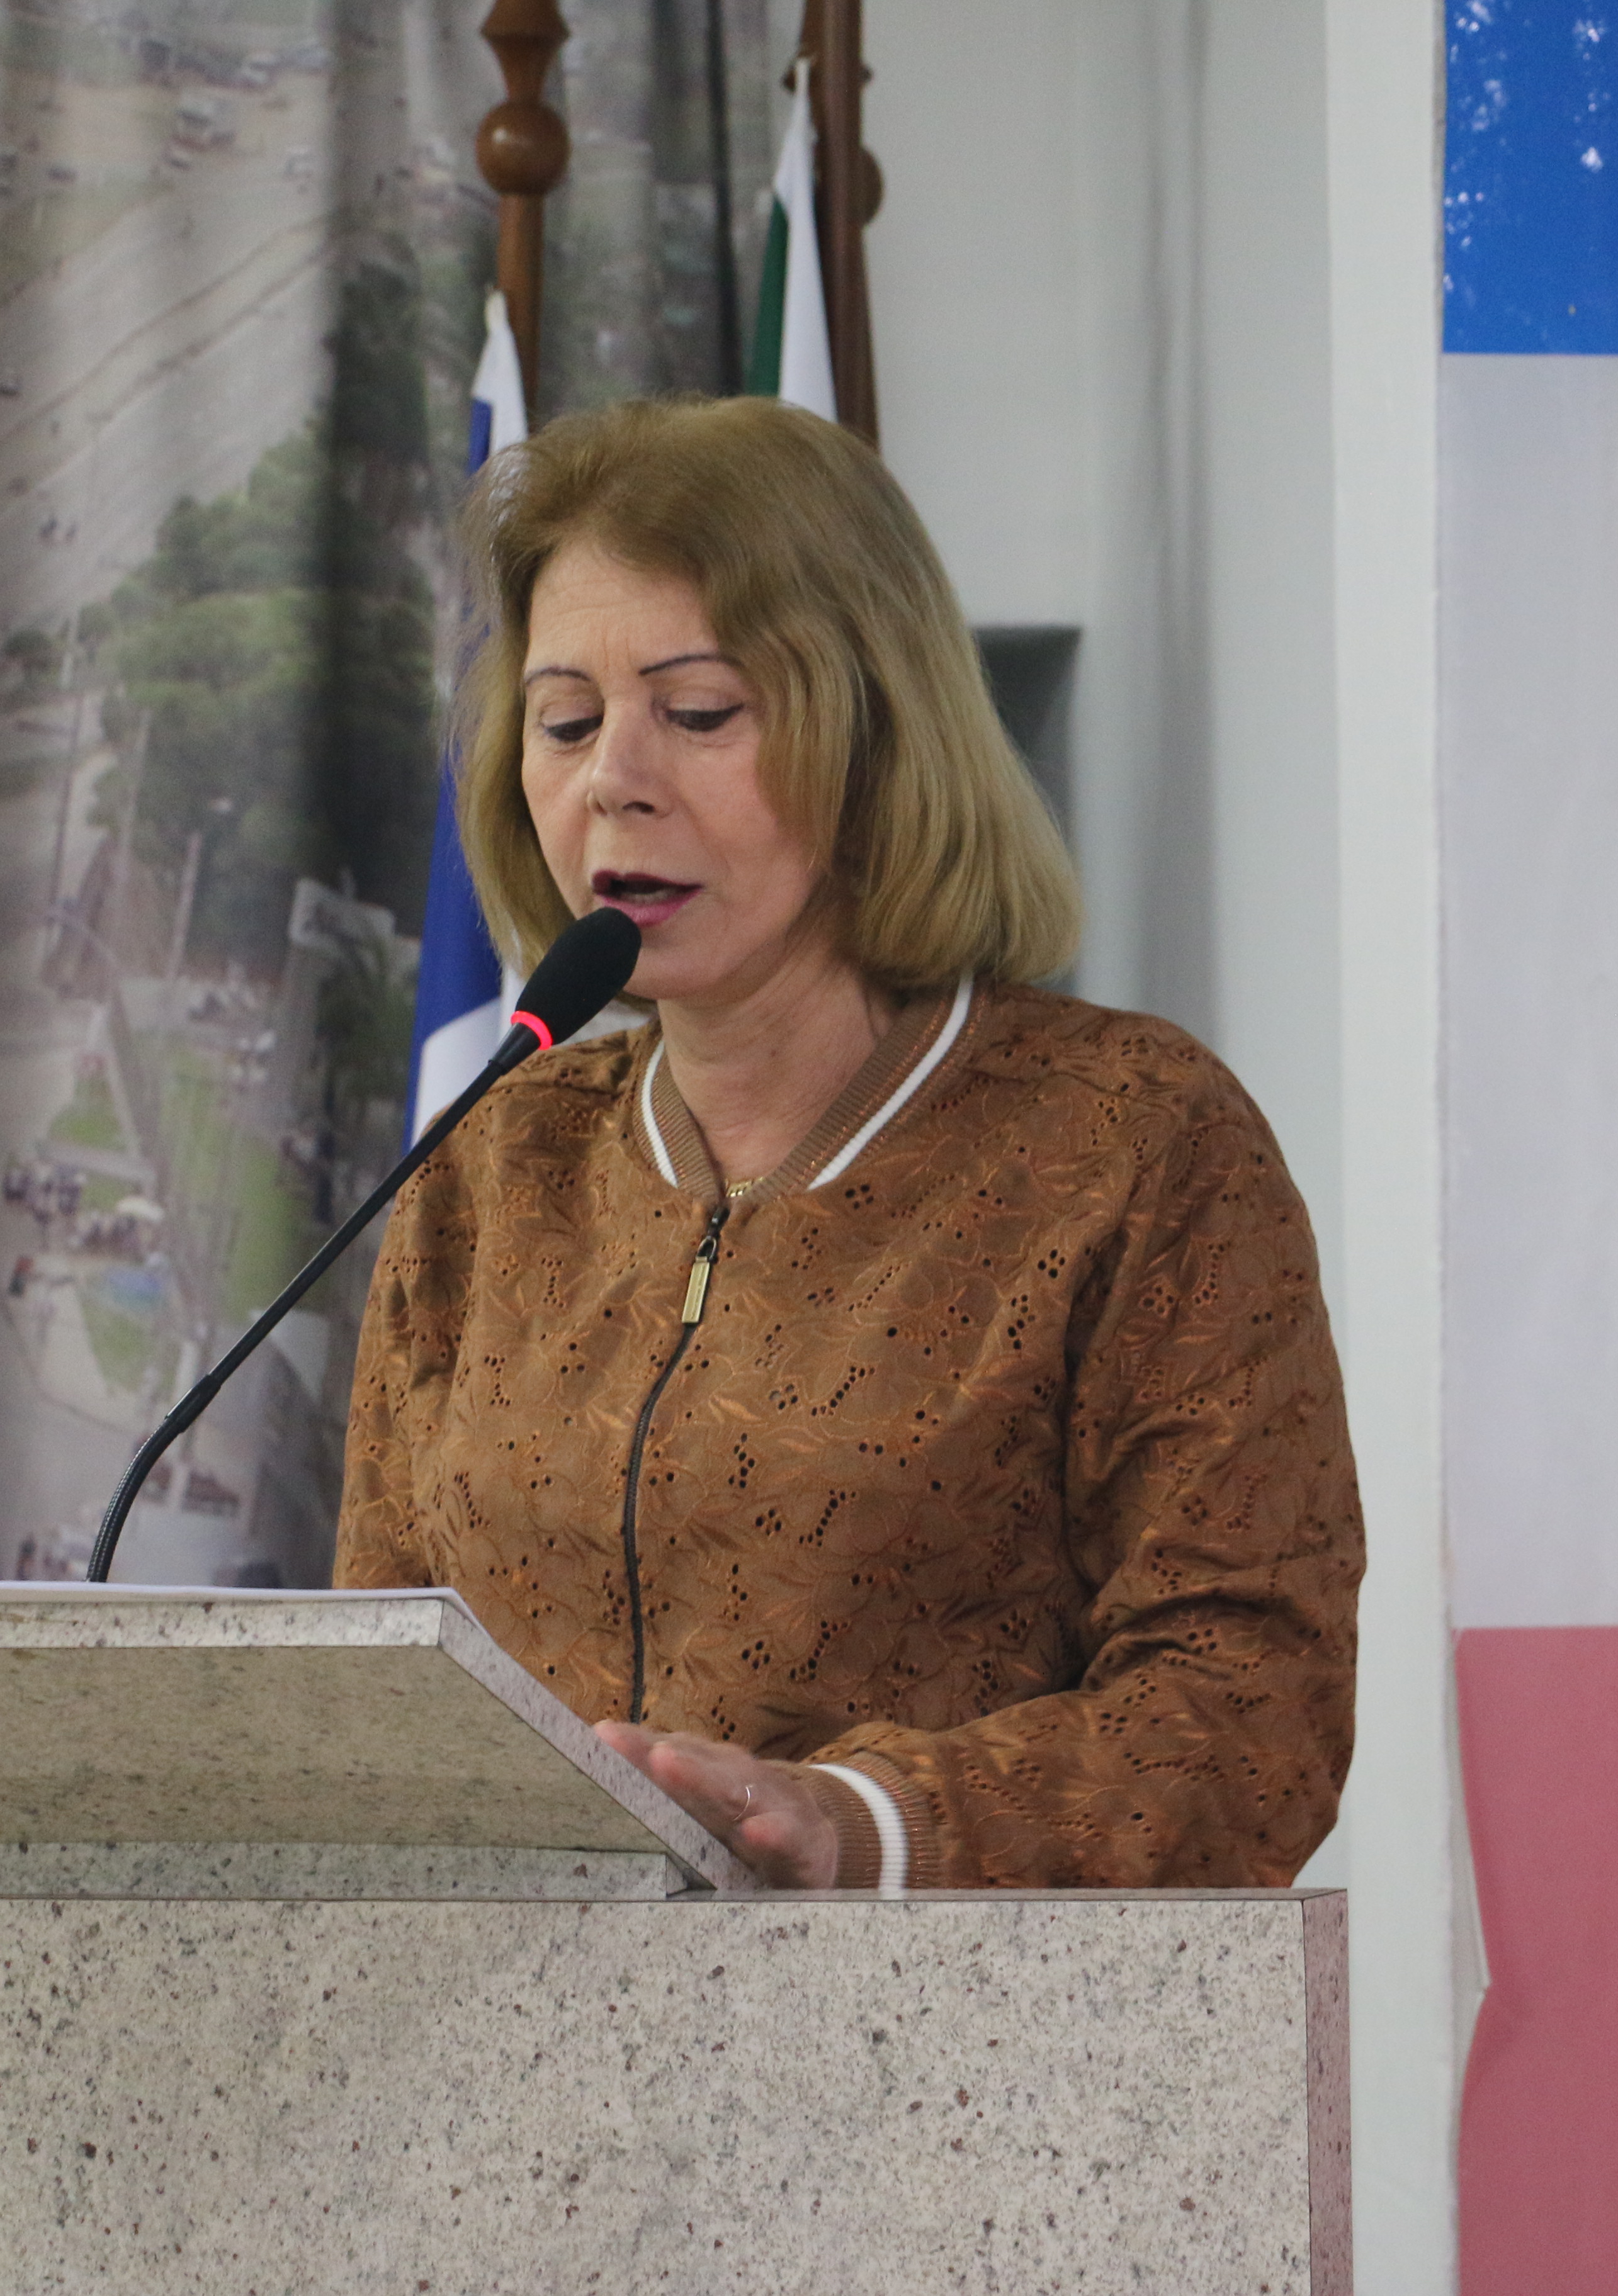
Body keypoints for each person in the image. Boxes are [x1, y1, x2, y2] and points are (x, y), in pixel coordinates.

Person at [337, 398, 1361, 1891]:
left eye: (699, 714)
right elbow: (377, 1686)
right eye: (565, 723)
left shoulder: (1134, 1142)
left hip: (941, 2020)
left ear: (873, 735)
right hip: (506, 2020)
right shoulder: (495, 1166)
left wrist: (861, 1822)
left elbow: (1255, 1713)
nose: (614, 777)